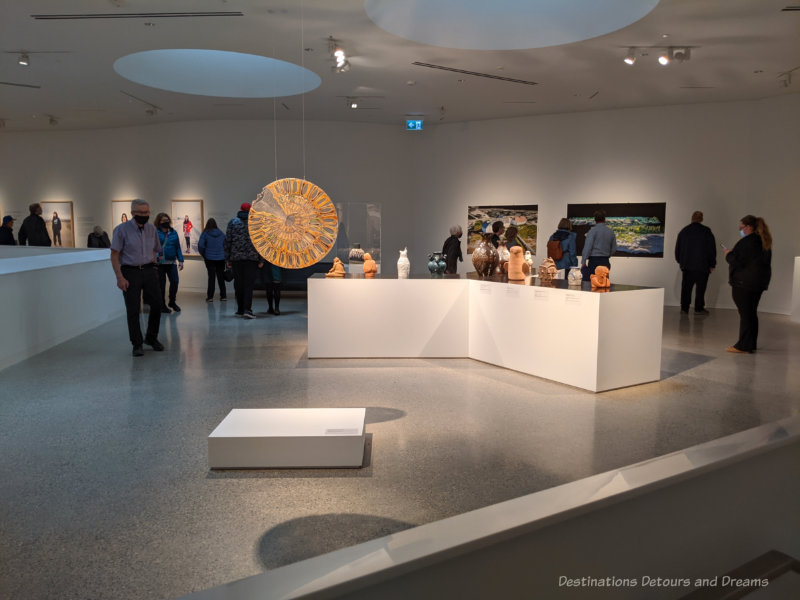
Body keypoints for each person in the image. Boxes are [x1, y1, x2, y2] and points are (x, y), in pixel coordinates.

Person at [110, 199, 163, 357]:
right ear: (133, 213)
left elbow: (155, 248)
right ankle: (137, 343)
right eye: (140, 213)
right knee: (133, 309)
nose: (144, 215)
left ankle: (151, 338)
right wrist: (120, 277)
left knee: (157, 305)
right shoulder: (121, 230)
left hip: (148, 270)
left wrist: (153, 265)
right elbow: (114, 255)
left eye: (146, 212)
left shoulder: (152, 228)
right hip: (130, 271)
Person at [724, 215, 772, 354]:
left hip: (744, 283)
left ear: (749, 227)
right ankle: (750, 344)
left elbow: (737, 261)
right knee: (751, 313)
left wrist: (728, 254)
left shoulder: (747, 242)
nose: (740, 229)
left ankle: (743, 346)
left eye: (741, 227)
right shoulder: (763, 241)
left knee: (746, 314)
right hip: (757, 282)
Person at [224, 203, 262, 319]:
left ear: (240, 209)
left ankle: (240, 310)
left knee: (238, 284)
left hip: (236, 259)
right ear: (251, 210)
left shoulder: (232, 222)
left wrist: (228, 258)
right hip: (252, 259)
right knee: (248, 285)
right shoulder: (256, 223)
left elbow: (227, 241)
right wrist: (261, 259)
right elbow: (261, 243)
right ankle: (247, 310)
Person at [675, 210, 716, 315]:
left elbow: (677, 250)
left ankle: (684, 308)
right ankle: (699, 308)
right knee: (701, 289)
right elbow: (711, 249)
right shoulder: (706, 231)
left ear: (692, 218)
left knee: (686, 288)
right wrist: (712, 264)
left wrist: (681, 262)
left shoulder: (684, 231)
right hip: (703, 266)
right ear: (701, 219)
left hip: (687, 266)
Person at [154, 213, 184, 313]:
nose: (165, 222)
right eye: (163, 220)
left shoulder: (173, 232)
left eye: (167, 220)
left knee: (175, 282)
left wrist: (181, 260)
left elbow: (178, 247)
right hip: (160, 263)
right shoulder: (155, 232)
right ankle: (162, 305)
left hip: (172, 262)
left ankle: (172, 301)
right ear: (159, 222)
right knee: (161, 285)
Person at [198, 218, 227, 302]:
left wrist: (204, 254)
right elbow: (226, 244)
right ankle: (223, 296)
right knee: (221, 277)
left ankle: (210, 297)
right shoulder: (221, 233)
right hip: (221, 258)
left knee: (211, 277)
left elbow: (200, 245)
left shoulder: (205, 233)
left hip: (209, 258)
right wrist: (223, 254)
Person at [581, 210, 617, 275]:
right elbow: (614, 249)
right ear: (604, 219)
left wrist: (583, 262)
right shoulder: (610, 232)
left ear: (595, 220)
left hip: (593, 261)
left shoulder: (592, 231)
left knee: (593, 282)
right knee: (604, 282)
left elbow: (587, 247)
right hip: (605, 260)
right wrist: (607, 255)